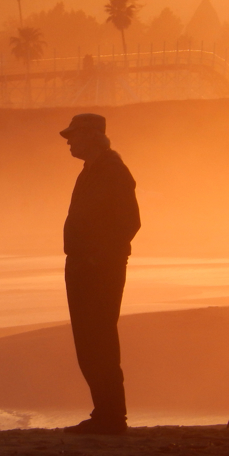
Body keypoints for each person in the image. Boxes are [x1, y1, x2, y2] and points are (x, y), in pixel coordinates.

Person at [59, 113, 140, 435]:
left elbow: (128, 222)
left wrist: (96, 258)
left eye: (74, 135)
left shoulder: (112, 170)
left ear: (92, 136)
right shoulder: (92, 170)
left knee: (99, 340)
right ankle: (104, 413)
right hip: (83, 266)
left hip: (99, 268)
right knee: (89, 342)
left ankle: (111, 417)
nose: (68, 141)